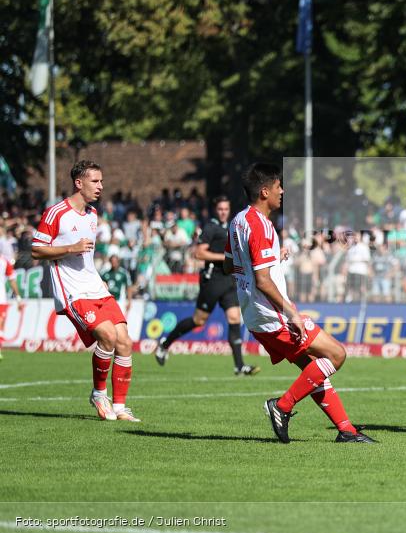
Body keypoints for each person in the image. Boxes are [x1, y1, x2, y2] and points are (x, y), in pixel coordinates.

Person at [224, 163, 374, 443]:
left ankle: (346, 431)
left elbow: (228, 265)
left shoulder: (238, 221)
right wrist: (291, 312)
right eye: (279, 186)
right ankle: (281, 406)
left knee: (313, 368)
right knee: (337, 355)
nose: (282, 191)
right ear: (265, 191)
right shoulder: (261, 225)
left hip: (254, 315)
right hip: (273, 315)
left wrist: (270, 258)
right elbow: (263, 280)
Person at [31, 160, 140, 421]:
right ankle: (99, 394)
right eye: (95, 181)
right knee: (107, 336)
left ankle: (120, 408)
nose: (100, 186)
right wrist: (69, 248)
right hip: (73, 291)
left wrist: (99, 280)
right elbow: (36, 249)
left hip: (95, 287)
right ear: (79, 183)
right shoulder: (56, 213)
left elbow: (86, 258)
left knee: (124, 341)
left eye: (101, 181)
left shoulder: (92, 215)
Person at [154, 196, 259, 375]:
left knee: (234, 318)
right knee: (198, 320)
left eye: (226, 209)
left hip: (228, 280)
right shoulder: (211, 227)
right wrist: (226, 258)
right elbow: (199, 253)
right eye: (220, 209)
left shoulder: (232, 227)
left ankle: (239, 366)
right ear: (215, 210)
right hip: (212, 280)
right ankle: (164, 344)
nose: (223, 212)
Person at [0, 250, 24, 360]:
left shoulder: (4, 261)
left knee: (0, 326)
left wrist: (19, 298)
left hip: (1, 299)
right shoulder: (4, 261)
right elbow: (12, 280)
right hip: (1, 299)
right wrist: (19, 299)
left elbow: (12, 279)